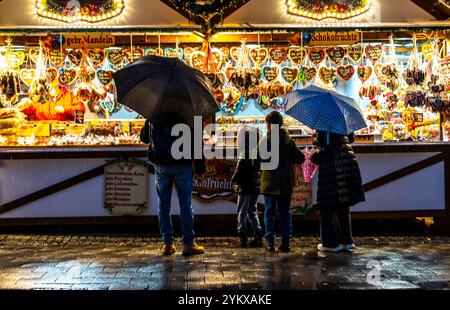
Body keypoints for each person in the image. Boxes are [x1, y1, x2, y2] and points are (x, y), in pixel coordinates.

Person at [140, 111, 205, 257]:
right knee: (185, 204)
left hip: (162, 165)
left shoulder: (155, 112)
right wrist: (200, 167)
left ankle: (168, 244)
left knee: (163, 205)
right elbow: (196, 141)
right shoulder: (189, 112)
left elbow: (144, 138)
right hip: (183, 164)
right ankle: (188, 243)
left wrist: (149, 120)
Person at [310, 131, 365, 253]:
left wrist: (312, 153)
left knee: (327, 206)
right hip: (347, 165)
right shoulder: (343, 124)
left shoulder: (325, 127)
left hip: (332, 170)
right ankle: (347, 241)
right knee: (343, 206)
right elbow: (351, 138)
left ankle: (330, 243)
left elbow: (322, 153)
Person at [258, 111, 305, 252]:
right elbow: (300, 158)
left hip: (269, 182)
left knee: (269, 213)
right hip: (285, 182)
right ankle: (286, 243)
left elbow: (256, 160)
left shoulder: (265, 141)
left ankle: (270, 243)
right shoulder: (288, 141)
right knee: (285, 213)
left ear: (269, 125)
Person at [231, 126, 262, 248]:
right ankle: (258, 234)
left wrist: (233, 180)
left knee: (241, 211)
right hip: (255, 187)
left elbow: (239, 172)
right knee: (252, 211)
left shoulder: (244, 154)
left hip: (245, 187)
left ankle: (242, 234)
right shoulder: (258, 153)